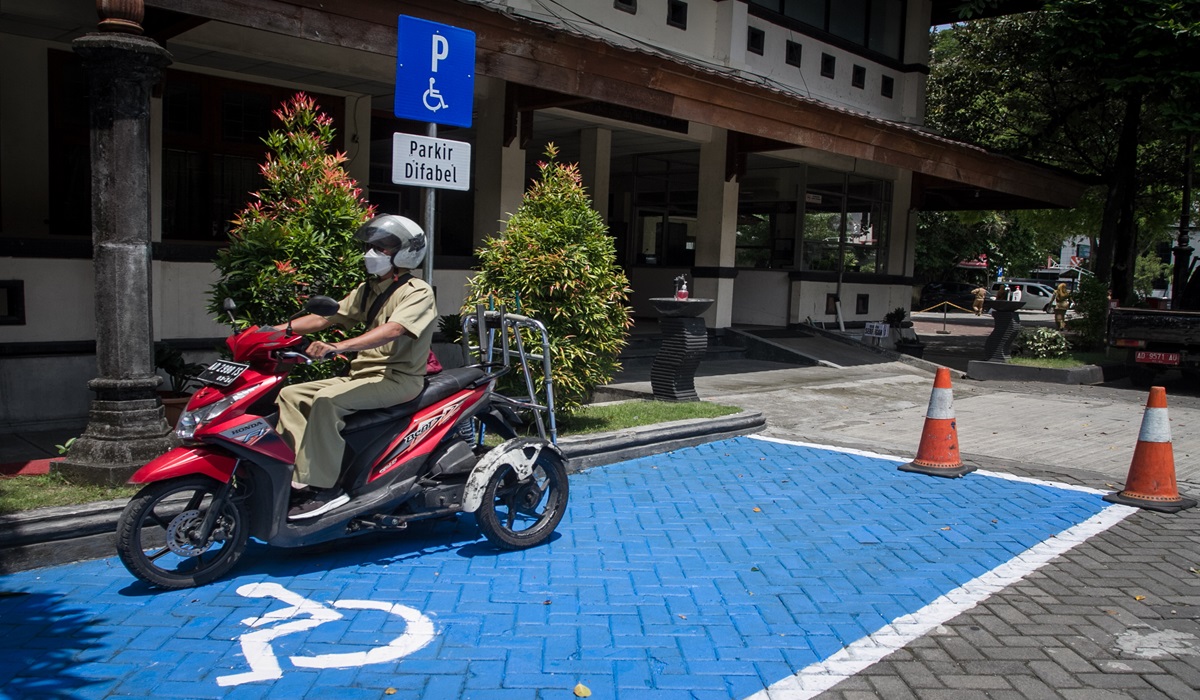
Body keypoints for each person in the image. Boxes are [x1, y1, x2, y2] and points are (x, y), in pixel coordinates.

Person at [275, 215, 438, 520]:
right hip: (363, 375)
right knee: (291, 395)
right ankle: (296, 475)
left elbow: (394, 329)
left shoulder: (418, 292)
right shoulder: (369, 289)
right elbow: (328, 317)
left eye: (383, 246)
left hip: (398, 378)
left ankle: (325, 490)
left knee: (327, 401)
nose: (372, 252)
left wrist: (338, 347)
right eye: (372, 245)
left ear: (406, 251)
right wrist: (275, 331)